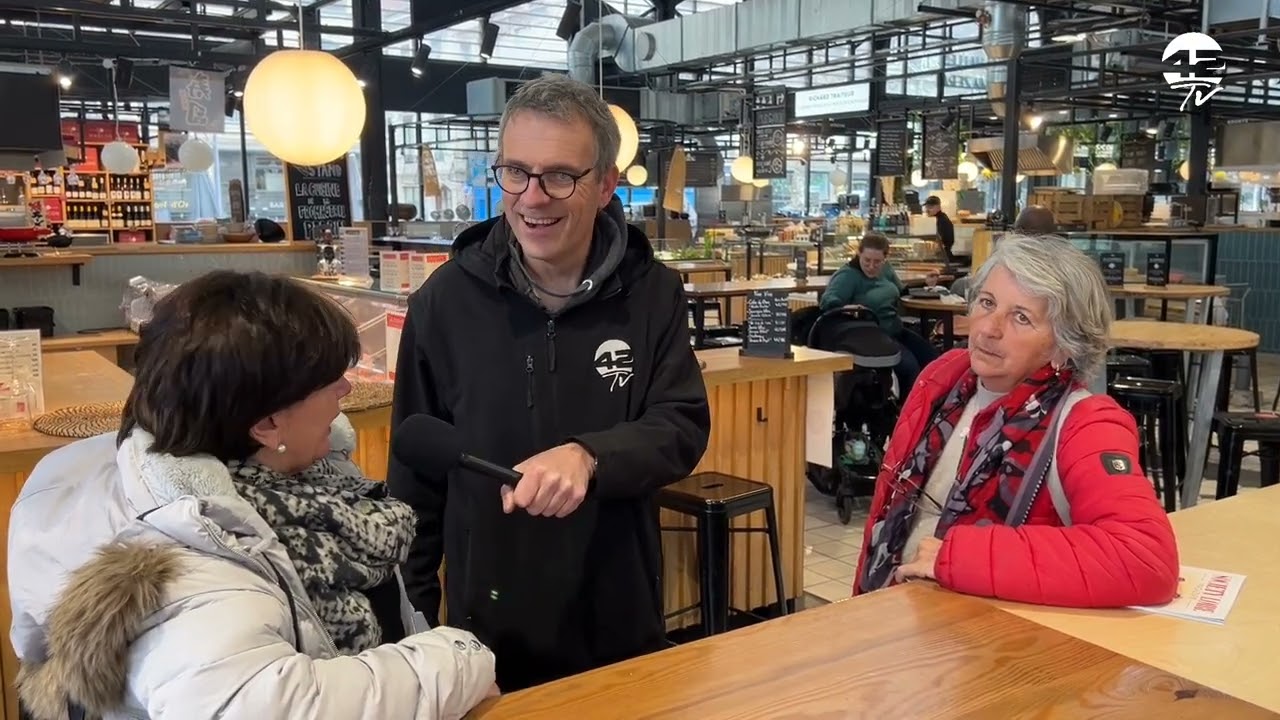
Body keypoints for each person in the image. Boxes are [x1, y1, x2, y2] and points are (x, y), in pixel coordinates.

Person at [9, 271, 497, 720]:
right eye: (329, 382)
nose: (348, 389)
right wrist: (457, 660)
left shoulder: (303, 485)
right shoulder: (199, 559)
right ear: (265, 424)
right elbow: (270, 706)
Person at [387, 73, 711, 691]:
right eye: (516, 172)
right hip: (486, 631)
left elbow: (681, 425)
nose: (533, 198)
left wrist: (591, 455)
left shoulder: (653, 294)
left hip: (619, 613)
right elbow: (415, 485)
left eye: (560, 175)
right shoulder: (444, 303)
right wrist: (415, 624)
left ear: (605, 185)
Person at [852, 235, 1180, 607]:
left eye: (1021, 317)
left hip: (983, 644)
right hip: (891, 617)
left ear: (1065, 344)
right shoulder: (944, 380)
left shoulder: (1085, 423)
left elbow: (1144, 559)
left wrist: (957, 558)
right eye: (987, 303)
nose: (989, 328)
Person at [819, 232, 939, 397]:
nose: (871, 266)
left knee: (934, 362)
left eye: (877, 262)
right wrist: (847, 307)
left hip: (894, 330)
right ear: (858, 254)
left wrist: (927, 285)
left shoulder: (886, 270)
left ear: (885, 259)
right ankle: (907, 415)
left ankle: (927, 411)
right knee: (910, 369)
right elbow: (828, 301)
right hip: (870, 336)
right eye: (867, 260)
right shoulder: (848, 275)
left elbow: (901, 291)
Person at [924, 195, 955, 263]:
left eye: (930, 207)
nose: (927, 210)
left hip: (942, 257)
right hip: (939, 256)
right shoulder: (934, 219)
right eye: (926, 207)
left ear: (938, 207)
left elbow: (940, 241)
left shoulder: (942, 220)